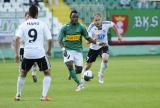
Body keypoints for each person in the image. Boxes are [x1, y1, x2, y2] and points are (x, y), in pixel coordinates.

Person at [14, 5, 52, 101]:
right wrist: (49, 50)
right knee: (47, 73)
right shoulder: (42, 24)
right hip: (39, 53)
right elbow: (50, 39)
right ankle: (43, 96)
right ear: (37, 13)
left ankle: (18, 95)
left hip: (28, 53)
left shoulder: (23, 24)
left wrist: (17, 54)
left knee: (22, 74)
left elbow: (17, 39)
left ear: (29, 13)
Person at [58, 10, 99, 92]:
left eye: (76, 17)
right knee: (69, 65)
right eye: (73, 17)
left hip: (78, 51)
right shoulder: (65, 27)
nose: (75, 18)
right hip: (68, 50)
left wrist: (96, 42)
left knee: (79, 70)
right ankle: (79, 83)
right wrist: (63, 49)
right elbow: (60, 40)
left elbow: (87, 38)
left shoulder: (81, 27)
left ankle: (71, 74)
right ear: (70, 17)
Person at [80, 13, 122, 87]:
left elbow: (114, 25)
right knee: (87, 66)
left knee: (105, 59)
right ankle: (82, 81)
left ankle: (101, 74)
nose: (97, 22)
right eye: (96, 20)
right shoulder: (91, 27)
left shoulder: (106, 24)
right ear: (93, 20)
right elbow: (87, 41)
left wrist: (118, 35)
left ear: (101, 19)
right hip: (93, 48)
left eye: (98, 20)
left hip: (103, 45)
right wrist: (94, 39)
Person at [19, 12, 38, 83]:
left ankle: (33, 74)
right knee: (23, 65)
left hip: (32, 47)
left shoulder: (34, 27)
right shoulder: (22, 26)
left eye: (29, 16)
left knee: (35, 61)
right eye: (27, 16)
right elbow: (19, 38)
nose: (28, 18)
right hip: (23, 48)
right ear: (25, 18)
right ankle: (21, 75)